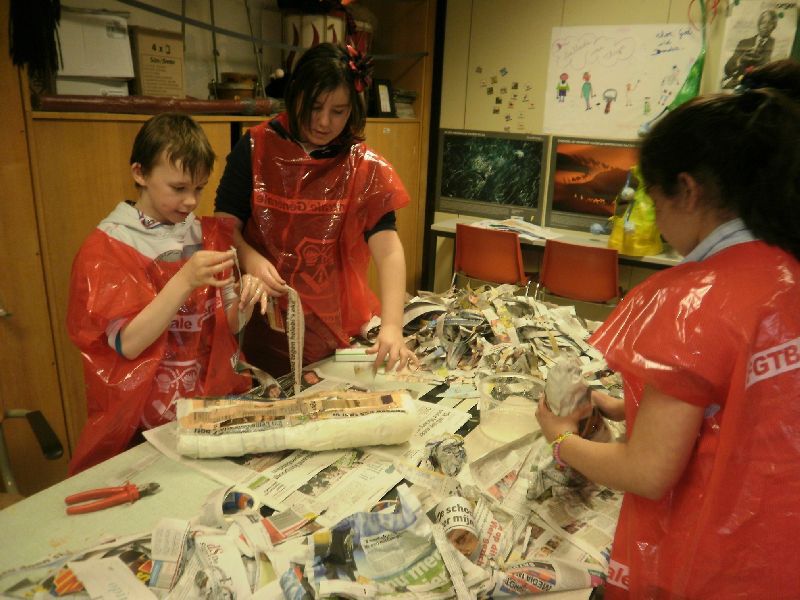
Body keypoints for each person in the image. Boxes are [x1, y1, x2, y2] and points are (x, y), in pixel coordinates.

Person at [535, 59, 800, 598]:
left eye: (654, 202)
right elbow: (744, 405)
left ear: (687, 189)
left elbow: (648, 471)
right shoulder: (786, 266)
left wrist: (559, 438)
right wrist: (623, 406)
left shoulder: (692, 300)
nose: (656, 219)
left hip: (720, 566)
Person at [67, 113, 269, 474]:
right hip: (142, 425)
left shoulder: (205, 235)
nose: (190, 201)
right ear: (140, 173)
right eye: (178, 188)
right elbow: (128, 344)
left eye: (199, 189)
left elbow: (228, 325)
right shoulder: (109, 246)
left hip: (204, 411)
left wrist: (246, 302)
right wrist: (185, 279)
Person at [215, 42, 417, 376]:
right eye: (315, 106)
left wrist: (393, 326)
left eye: (338, 111)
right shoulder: (255, 146)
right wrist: (250, 258)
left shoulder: (363, 165)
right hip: (263, 321)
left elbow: (388, 248)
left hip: (336, 329)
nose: (323, 122)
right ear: (296, 95)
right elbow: (224, 224)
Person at [721, 9, 778, 89]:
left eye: (770, 23)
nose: (765, 26)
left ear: (774, 26)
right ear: (758, 24)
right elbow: (727, 69)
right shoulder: (744, 43)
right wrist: (739, 61)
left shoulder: (776, 45)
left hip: (759, 88)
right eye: (763, 22)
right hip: (737, 86)